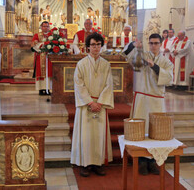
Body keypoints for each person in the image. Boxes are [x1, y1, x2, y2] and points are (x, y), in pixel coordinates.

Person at [123, 33, 173, 175]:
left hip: (156, 101)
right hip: (142, 100)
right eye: (151, 43)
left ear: (161, 44)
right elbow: (125, 54)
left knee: (155, 132)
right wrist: (134, 45)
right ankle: (141, 162)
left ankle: (152, 161)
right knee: (141, 131)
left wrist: (154, 65)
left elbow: (169, 78)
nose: (153, 46)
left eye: (156, 43)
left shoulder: (166, 62)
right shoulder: (142, 54)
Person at [71, 33, 114, 177]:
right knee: (86, 135)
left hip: (100, 105)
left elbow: (109, 85)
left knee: (99, 135)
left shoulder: (106, 64)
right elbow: (79, 85)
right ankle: (85, 164)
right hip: (86, 105)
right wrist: (90, 102)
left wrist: (99, 102)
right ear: (88, 47)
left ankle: (98, 163)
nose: (96, 48)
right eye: (93, 45)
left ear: (101, 46)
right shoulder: (81, 64)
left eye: (98, 44)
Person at [31, 21, 52, 95]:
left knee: (48, 72)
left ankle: (48, 89)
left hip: (49, 56)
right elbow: (34, 45)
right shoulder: (37, 35)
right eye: (44, 26)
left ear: (49, 27)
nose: (46, 28)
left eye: (47, 26)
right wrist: (42, 45)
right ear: (41, 27)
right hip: (40, 56)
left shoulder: (52, 35)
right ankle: (40, 89)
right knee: (40, 72)